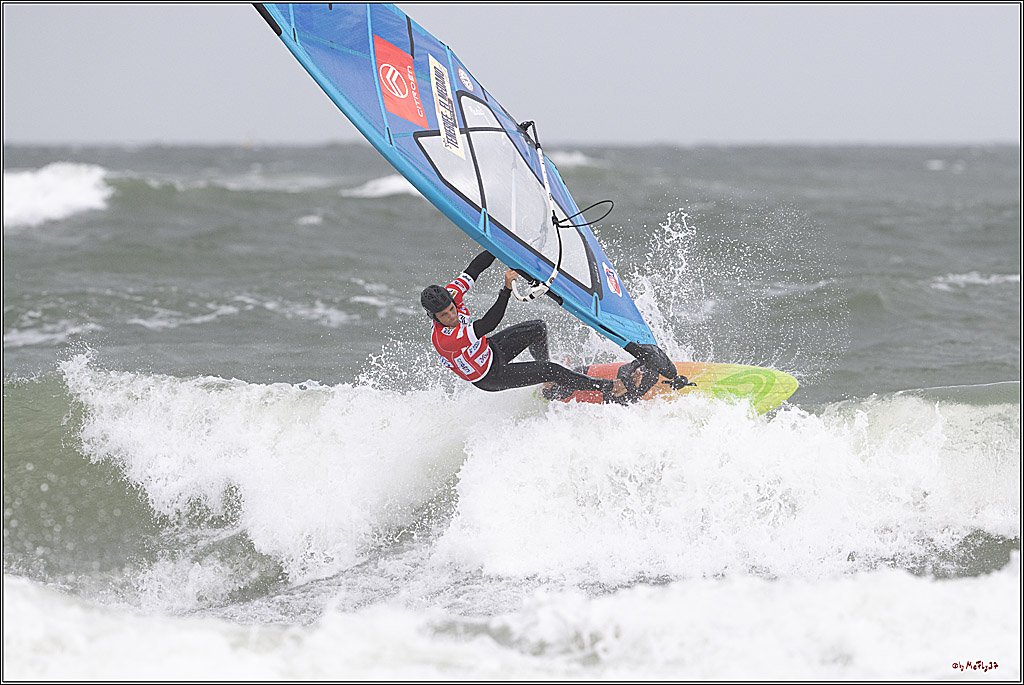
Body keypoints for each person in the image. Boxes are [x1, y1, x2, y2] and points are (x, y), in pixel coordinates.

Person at [420, 250, 627, 399]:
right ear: (433, 317)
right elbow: (488, 324)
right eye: (444, 315)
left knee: (538, 328)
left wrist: (497, 246)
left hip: (489, 350)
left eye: (451, 309)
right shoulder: (445, 340)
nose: (451, 315)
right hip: (489, 375)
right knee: (551, 369)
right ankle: (610, 388)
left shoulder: (451, 294)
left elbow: (474, 269)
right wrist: (506, 289)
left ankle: (547, 382)